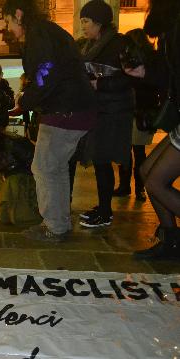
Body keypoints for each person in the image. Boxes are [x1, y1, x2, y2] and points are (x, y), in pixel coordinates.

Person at [2, 0, 97, 240]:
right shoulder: (46, 31)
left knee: (43, 167)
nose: (8, 29)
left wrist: (24, 102)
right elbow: (48, 72)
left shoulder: (39, 33)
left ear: (18, 14)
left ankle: (54, 226)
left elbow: (46, 72)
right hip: (73, 107)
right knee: (55, 168)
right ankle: (59, 223)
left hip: (63, 110)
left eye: (8, 21)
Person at [123, 0, 180, 259]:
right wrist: (146, 71)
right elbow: (170, 74)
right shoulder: (170, 26)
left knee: (156, 180)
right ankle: (171, 240)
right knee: (147, 172)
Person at [77, 0, 135, 228]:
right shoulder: (90, 45)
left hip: (115, 111)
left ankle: (105, 212)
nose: (83, 26)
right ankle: (103, 207)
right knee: (100, 161)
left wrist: (99, 85)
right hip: (100, 109)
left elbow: (131, 77)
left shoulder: (119, 44)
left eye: (86, 21)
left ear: (99, 22)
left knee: (102, 159)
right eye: (81, 20)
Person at [113, 29, 159, 202]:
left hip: (137, 113)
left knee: (130, 151)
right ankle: (136, 188)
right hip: (140, 112)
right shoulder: (148, 61)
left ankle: (133, 188)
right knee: (135, 152)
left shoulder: (139, 61)